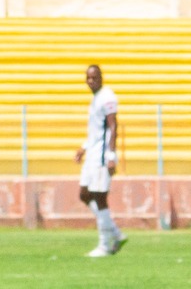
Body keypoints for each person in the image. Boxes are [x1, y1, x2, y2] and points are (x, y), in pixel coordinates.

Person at [76, 64, 124, 257]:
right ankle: (115, 233)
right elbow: (97, 130)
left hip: (102, 156)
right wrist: (84, 147)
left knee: (99, 196)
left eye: (94, 78)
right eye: (88, 78)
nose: (90, 81)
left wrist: (111, 156)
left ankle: (105, 245)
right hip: (93, 153)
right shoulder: (96, 99)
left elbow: (113, 127)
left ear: (101, 78)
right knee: (84, 194)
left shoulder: (107, 97)